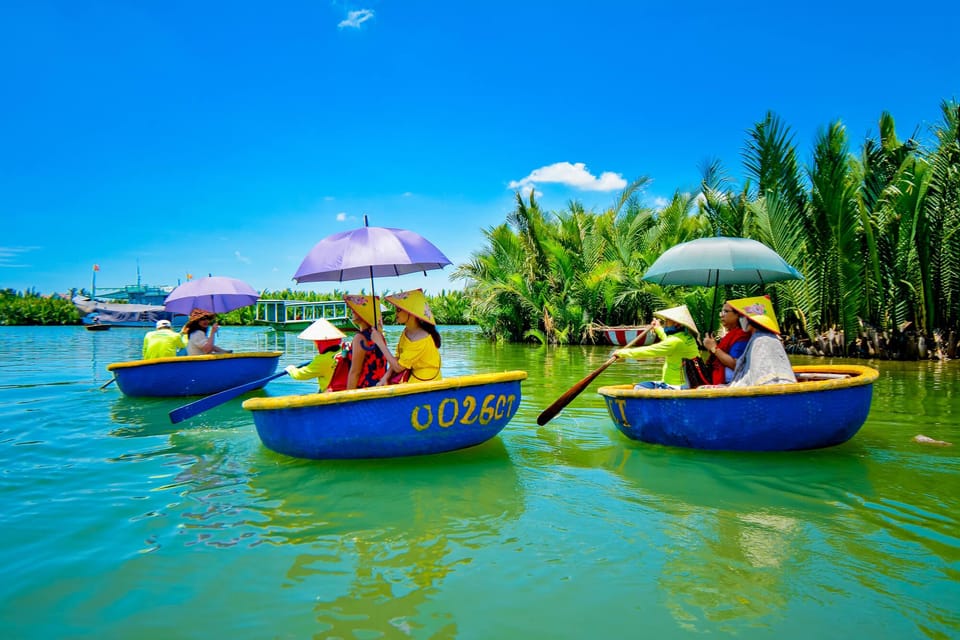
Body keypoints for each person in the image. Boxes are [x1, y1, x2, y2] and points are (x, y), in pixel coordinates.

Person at [613, 305, 701, 388]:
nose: (665, 323)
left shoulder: (675, 342)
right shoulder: (687, 337)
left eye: (667, 321)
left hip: (675, 386)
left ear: (677, 324)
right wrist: (658, 329)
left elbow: (649, 350)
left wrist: (621, 353)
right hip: (686, 383)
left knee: (639, 388)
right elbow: (668, 340)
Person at [727, 296, 797, 387]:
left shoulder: (761, 341)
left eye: (742, 316)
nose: (741, 320)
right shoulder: (760, 338)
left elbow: (766, 379)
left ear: (750, 320)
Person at [378, 289, 442, 385]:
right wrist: (385, 378)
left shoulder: (421, 338)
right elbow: (398, 358)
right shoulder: (407, 331)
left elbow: (398, 367)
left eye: (399, 310)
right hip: (413, 377)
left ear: (410, 312)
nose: (396, 314)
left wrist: (380, 343)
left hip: (426, 382)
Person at [341, 294, 389, 390]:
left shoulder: (360, 338)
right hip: (380, 388)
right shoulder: (379, 335)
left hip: (365, 391)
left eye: (355, 310)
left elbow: (355, 372)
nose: (352, 312)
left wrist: (348, 399)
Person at [284, 319, 346, 391]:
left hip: (331, 393)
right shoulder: (342, 351)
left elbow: (301, 375)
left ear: (320, 343)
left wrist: (291, 370)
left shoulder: (322, 360)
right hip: (343, 389)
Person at [702, 301, 750, 385]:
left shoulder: (742, 335)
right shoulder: (730, 335)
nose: (722, 315)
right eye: (721, 312)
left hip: (732, 383)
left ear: (737, 314)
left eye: (726, 311)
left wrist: (714, 348)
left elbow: (736, 365)